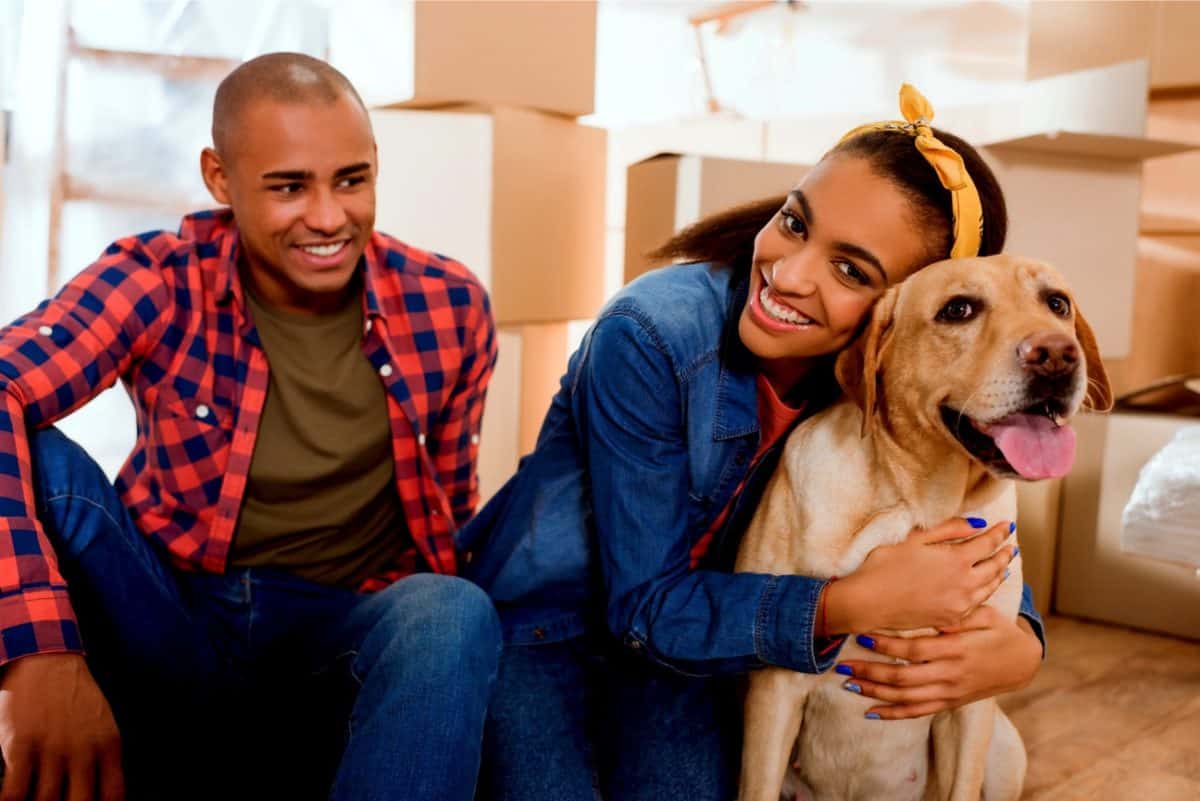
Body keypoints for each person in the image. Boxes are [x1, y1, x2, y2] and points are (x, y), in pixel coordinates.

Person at [460, 84, 1046, 801]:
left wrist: (1020, 640)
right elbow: (642, 607)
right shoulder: (651, 334)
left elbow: (966, 507)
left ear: (908, 319)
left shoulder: (887, 375)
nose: (790, 273)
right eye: (795, 222)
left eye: (850, 270)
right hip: (554, 630)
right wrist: (847, 604)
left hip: (703, 644)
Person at [0, 53, 500, 801]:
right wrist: (39, 651)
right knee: (42, 466)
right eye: (289, 186)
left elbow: (452, 509)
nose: (329, 217)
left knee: (452, 608)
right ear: (221, 180)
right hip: (173, 619)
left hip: (340, 634)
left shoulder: (449, 304)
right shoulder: (160, 278)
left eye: (352, 180)